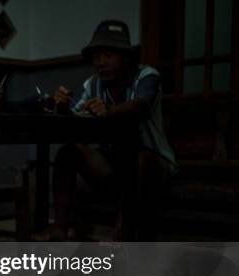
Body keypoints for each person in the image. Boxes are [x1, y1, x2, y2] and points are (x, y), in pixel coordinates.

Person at [41, 20, 178, 241]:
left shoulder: (146, 76)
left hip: (152, 163)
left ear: (126, 57)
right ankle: (59, 228)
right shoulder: (92, 84)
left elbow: (140, 106)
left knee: (136, 158)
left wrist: (110, 110)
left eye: (108, 55)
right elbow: (74, 117)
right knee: (68, 152)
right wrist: (63, 106)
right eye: (96, 56)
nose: (100, 62)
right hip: (113, 165)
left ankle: (123, 232)